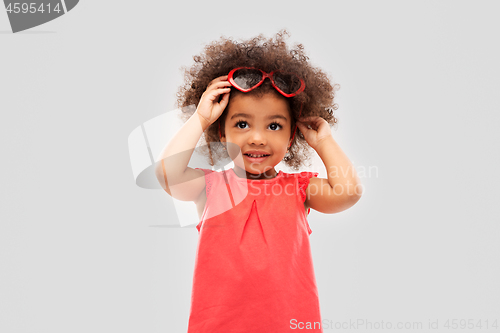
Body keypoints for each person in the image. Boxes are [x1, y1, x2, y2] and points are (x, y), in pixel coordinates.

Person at [155, 30, 363, 333]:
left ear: (292, 136)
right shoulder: (211, 187)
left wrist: (324, 142)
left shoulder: (299, 189)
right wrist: (199, 119)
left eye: (274, 125)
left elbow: (349, 192)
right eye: (242, 124)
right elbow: (167, 174)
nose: (257, 137)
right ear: (221, 132)